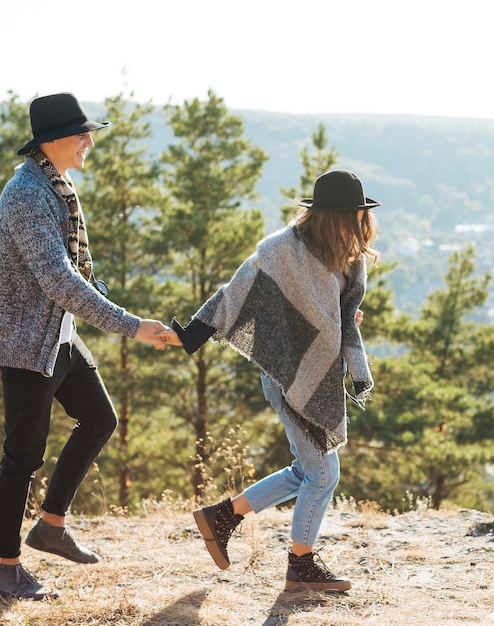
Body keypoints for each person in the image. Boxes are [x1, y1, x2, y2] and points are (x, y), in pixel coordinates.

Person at [0, 92, 168, 600]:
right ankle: (5, 569)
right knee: (22, 457)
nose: (89, 141)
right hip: (28, 347)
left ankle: (50, 527)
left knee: (101, 419)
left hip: (58, 337)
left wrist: (120, 311)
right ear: (52, 141)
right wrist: (131, 325)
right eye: (82, 133)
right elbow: (60, 282)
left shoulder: (56, 185)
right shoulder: (26, 195)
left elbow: (78, 273)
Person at [162, 169, 380, 592]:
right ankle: (300, 564)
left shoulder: (348, 259)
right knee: (322, 475)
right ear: (333, 216)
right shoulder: (283, 249)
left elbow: (330, 311)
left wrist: (341, 320)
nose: (360, 222)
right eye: (355, 214)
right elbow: (235, 291)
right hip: (285, 375)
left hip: (322, 374)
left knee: (307, 470)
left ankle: (223, 516)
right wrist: (191, 335)